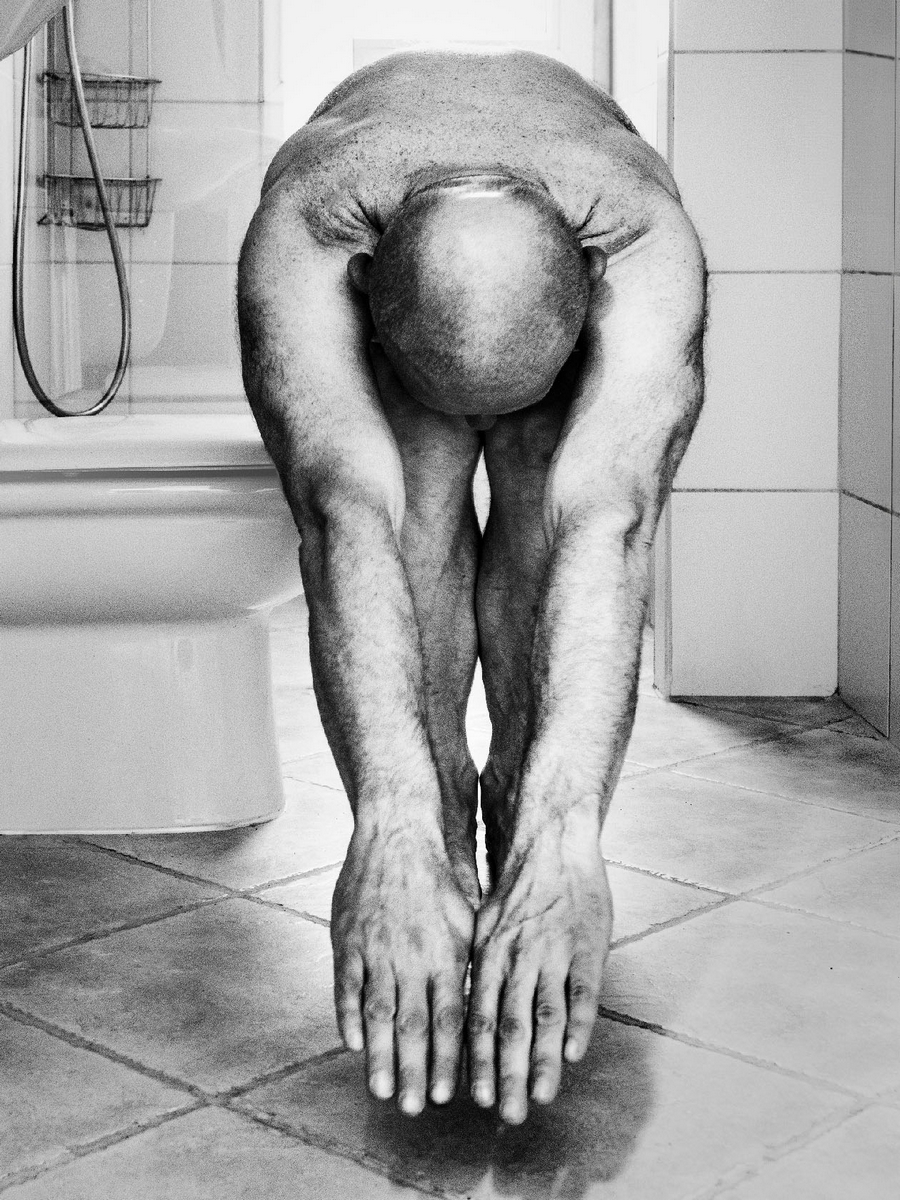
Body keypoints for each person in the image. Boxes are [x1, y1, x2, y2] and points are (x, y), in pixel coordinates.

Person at [237, 48, 706, 1127]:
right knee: (406, 500)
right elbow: (342, 517)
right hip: (386, 259)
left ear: (592, 295)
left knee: (554, 507)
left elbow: (612, 524)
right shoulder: (311, 229)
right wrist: (392, 819)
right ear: (364, 291)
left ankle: (527, 850)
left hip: (561, 257)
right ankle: (435, 850)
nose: (482, 423)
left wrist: (565, 834)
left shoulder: (640, 236)